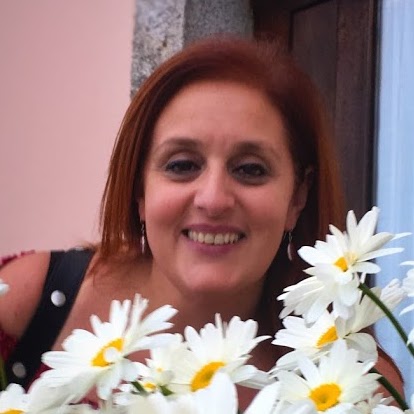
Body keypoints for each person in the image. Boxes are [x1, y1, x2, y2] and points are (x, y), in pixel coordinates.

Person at [0, 36, 403, 408]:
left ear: (298, 196)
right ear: (139, 190)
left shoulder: (360, 384)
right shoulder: (29, 298)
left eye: (250, 169)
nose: (212, 200)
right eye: (182, 165)